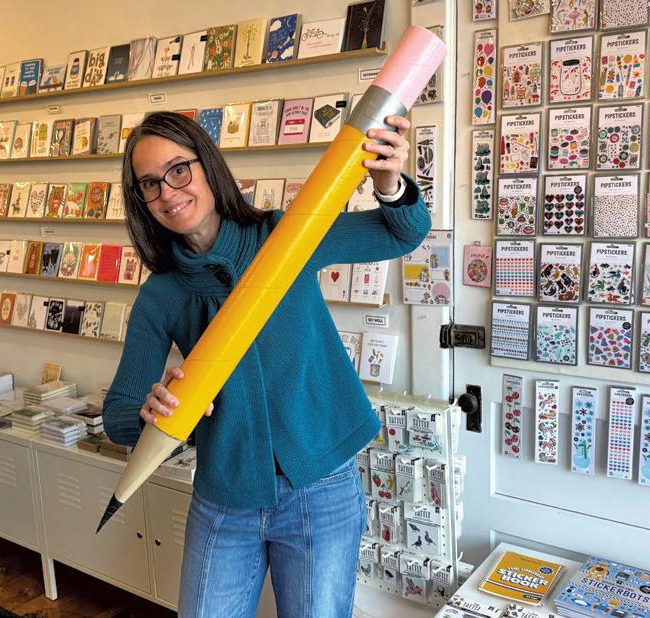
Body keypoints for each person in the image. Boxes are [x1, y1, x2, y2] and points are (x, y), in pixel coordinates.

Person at [102, 110, 430, 617]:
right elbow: (118, 415)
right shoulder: (161, 294)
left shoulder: (284, 236)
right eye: (149, 183)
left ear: (208, 166)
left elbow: (401, 234)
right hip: (225, 498)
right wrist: (150, 411)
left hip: (320, 485)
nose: (168, 192)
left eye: (178, 170)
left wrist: (388, 183)